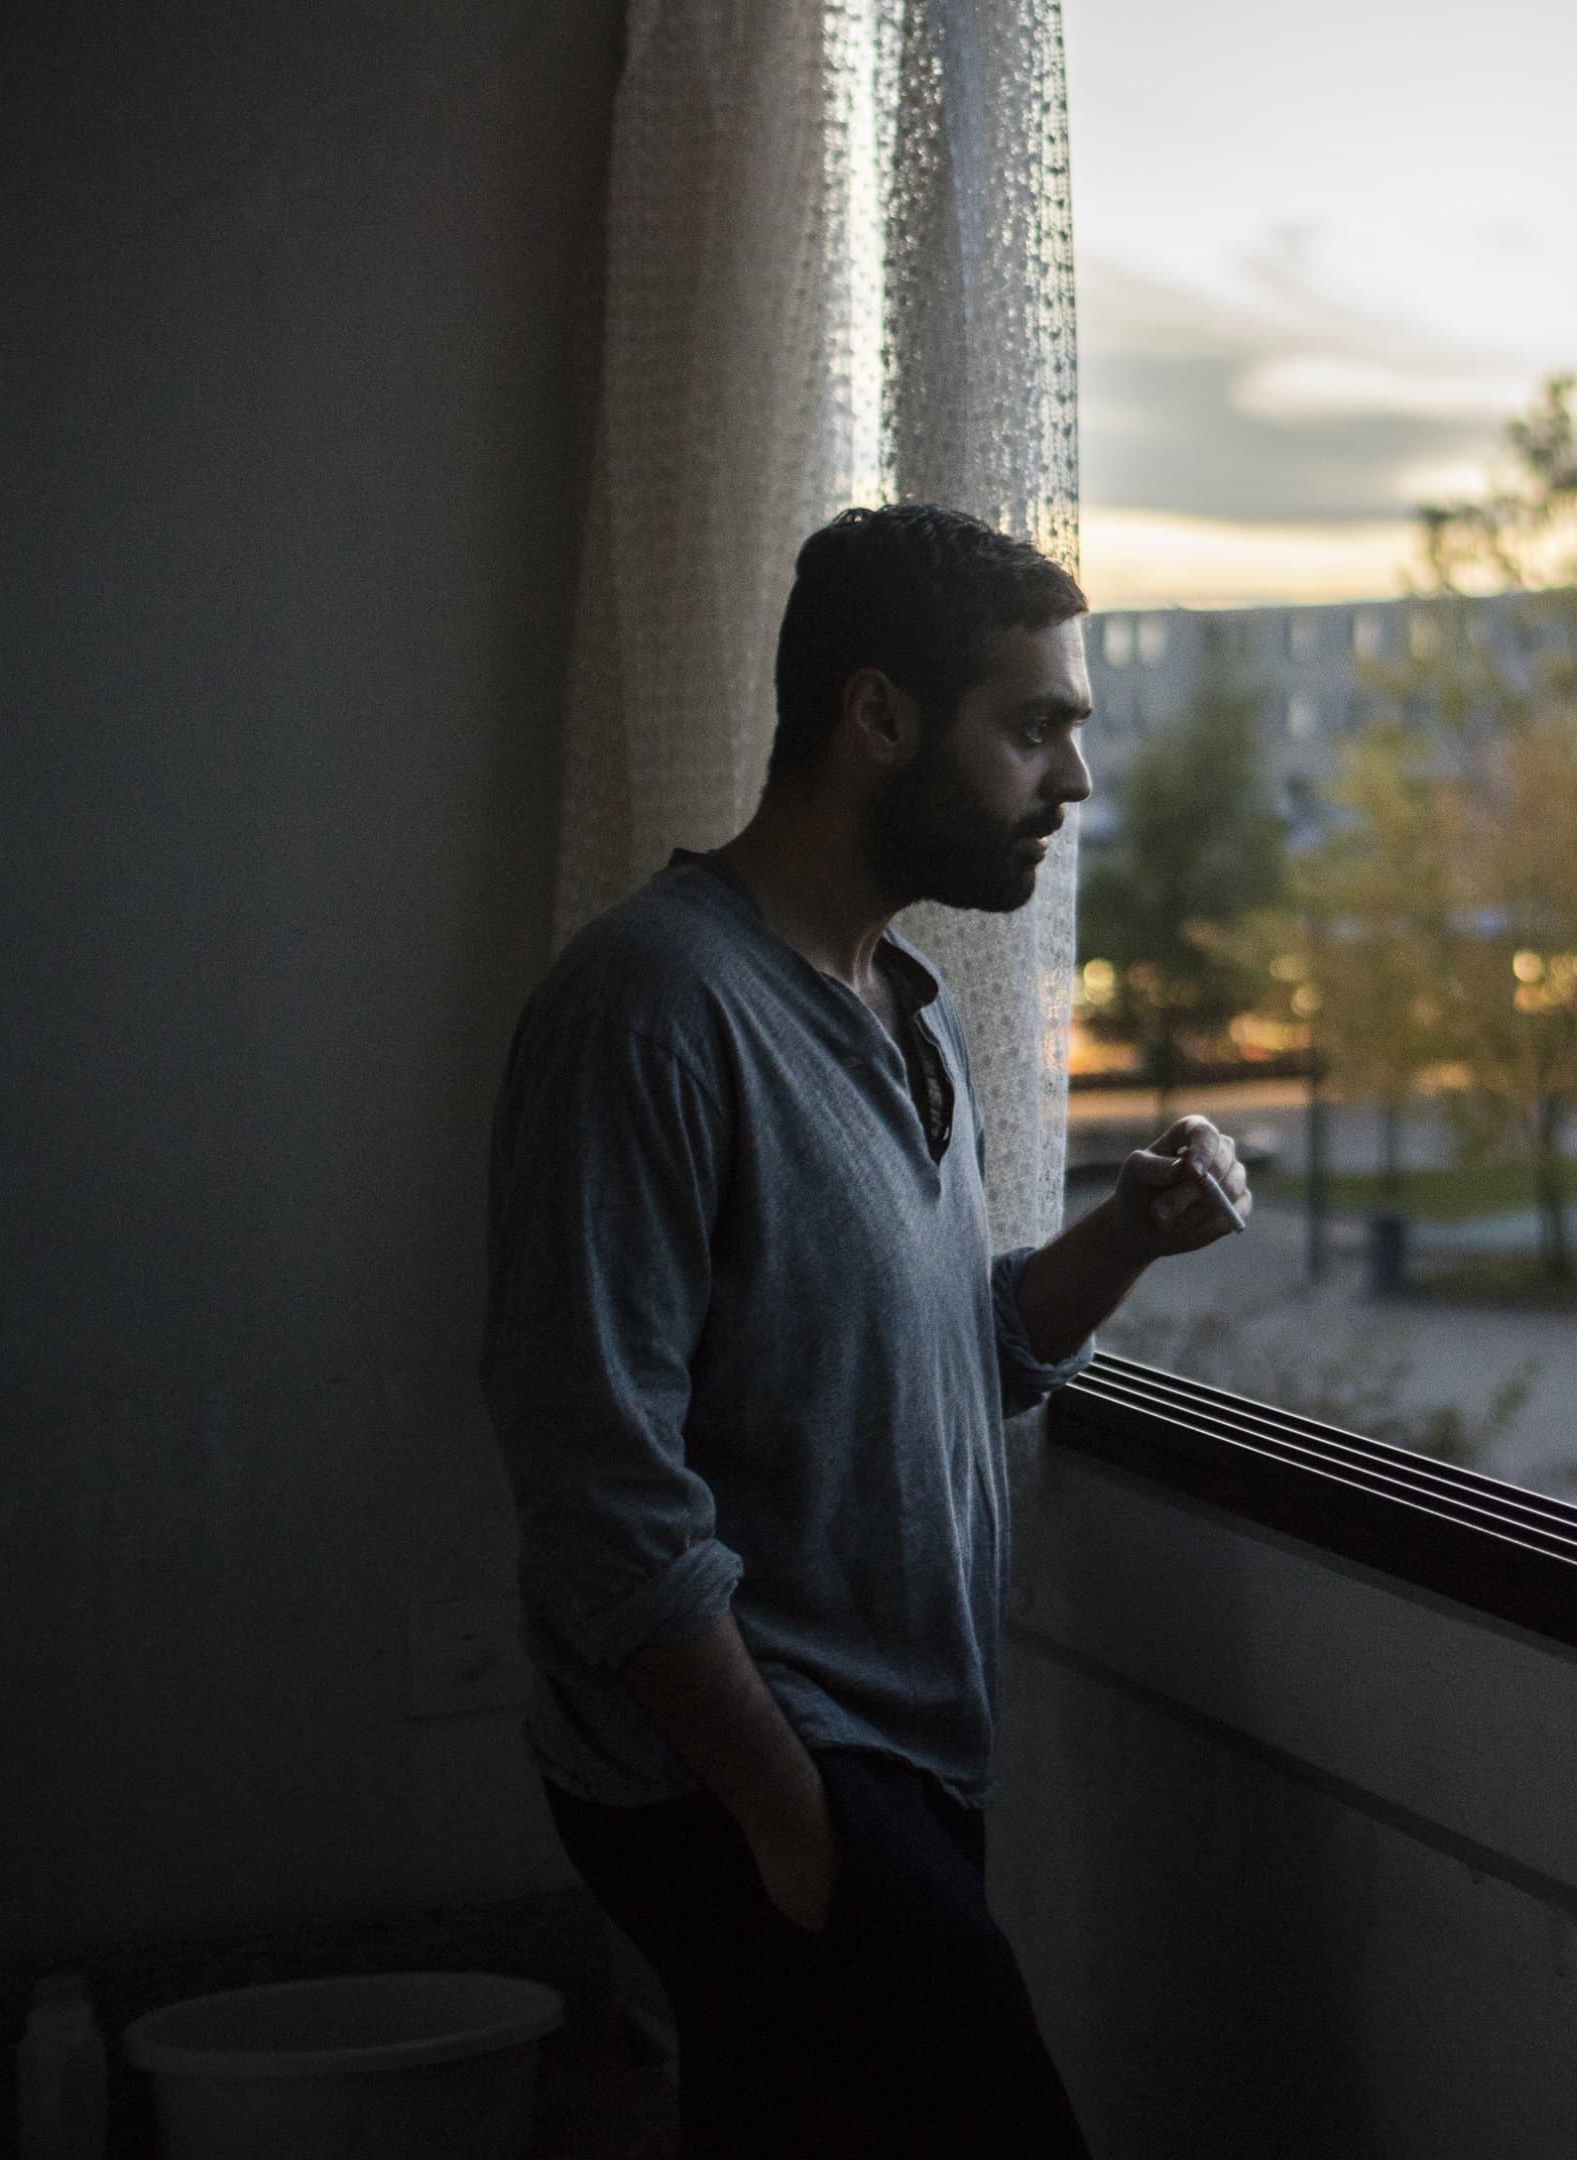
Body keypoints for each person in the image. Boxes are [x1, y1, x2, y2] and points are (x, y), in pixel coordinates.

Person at [484, 503, 1245, 2155]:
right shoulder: (650, 1009)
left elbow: (956, 1356)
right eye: (1033, 727)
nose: (1075, 780)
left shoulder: (910, 1012)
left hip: (888, 1767)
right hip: (760, 1764)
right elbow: (595, 1471)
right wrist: (785, 1811)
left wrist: (1127, 1235)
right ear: (879, 717)